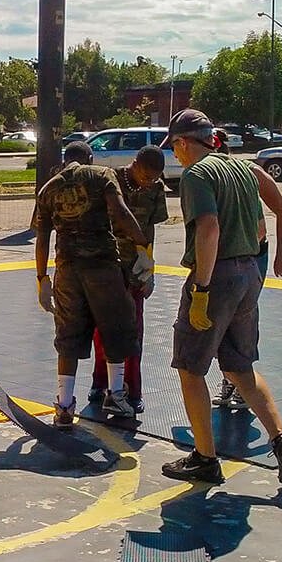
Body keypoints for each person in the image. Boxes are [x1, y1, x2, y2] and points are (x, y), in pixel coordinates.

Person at [160, 109, 282, 485]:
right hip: (249, 273)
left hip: (217, 275)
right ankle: (281, 441)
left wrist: (202, 290)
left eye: (175, 146)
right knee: (240, 367)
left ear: (185, 142)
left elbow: (208, 228)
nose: (175, 155)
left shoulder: (197, 174)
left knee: (191, 369)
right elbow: (261, 228)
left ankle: (205, 458)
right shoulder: (244, 170)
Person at [33, 141, 149, 426]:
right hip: (103, 268)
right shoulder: (101, 175)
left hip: (67, 271)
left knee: (68, 337)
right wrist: (143, 247)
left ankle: (63, 405)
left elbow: (42, 238)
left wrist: (42, 278)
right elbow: (120, 213)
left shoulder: (48, 189)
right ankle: (117, 394)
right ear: (89, 157)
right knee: (117, 329)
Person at [89, 145, 169, 414]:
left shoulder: (156, 190)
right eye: (145, 176)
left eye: (153, 178)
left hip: (135, 267)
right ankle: (100, 383)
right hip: (107, 263)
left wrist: (149, 268)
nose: (148, 182)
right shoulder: (111, 180)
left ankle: (133, 390)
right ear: (134, 164)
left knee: (134, 330)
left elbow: (150, 230)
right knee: (103, 329)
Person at [213, 157, 282, 411]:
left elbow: (281, 210)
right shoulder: (208, 177)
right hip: (224, 256)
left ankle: (243, 381)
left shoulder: (251, 173)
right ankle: (229, 378)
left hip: (253, 255)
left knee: (244, 318)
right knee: (221, 321)